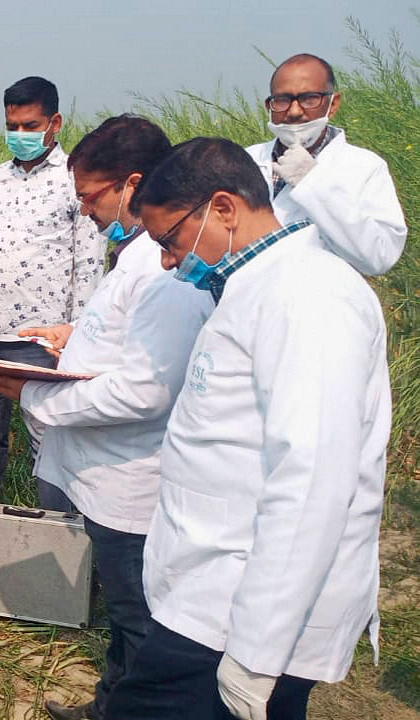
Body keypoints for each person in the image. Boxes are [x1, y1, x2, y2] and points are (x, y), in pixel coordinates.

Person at [105, 137, 390, 720]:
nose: (166, 260)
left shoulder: (307, 298)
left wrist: (257, 654)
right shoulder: (258, 287)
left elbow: (312, 483)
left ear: (224, 208)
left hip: (238, 615)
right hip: (212, 594)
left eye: (170, 240)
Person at [0, 115, 215, 720]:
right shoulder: (139, 257)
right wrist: (74, 336)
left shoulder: (166, 272)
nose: (85, 211)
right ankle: (109, 707)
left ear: (131, 185)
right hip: (108, 475)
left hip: (134, 482)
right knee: (124, 617)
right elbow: (128, 345)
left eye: (90, 196)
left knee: (141, 623)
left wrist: (28, 393)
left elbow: (145, 389)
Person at [0, 75, 107, 561]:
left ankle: (60, 548)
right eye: (12, 125)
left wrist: (82, 335)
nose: (19, 133)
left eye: (29, 124)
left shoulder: (75, 178)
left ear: (54, 123)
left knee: (47, 439)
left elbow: (88, 262)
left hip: (43, 340)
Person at [245, 52, 406, 275]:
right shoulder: (246, 161)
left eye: (309, 98)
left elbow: (379, 256)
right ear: (269, 105)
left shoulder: (363, 167)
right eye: (282, 100)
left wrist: (312, 183)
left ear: (333, 103)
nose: (294, 111)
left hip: (324, 300)